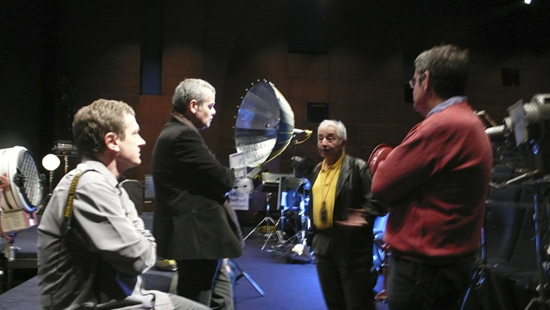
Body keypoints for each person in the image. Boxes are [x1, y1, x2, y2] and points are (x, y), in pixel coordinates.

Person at [37, 99, 208, 310]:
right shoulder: (90, 186)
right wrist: (144, 242)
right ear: (112, 141)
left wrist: (144, 242)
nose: (142, 141)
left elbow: (143, 246)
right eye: (135, 133)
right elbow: (139, 259)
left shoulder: (107, 184)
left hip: (125, 300)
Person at [371, 44, 493, 310]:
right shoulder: (468, 121)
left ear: (426, 80)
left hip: (424, 272)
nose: (411, 86)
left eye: (413, 80)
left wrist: (386, 164)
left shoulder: (441, 126)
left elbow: (380, 185)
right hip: (445, 266)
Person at [152, 79, 242, 308]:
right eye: (210, 106)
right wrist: (234, 177)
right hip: (197, 239)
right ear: (193, 106)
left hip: (200, 240)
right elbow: (224, 179)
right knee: (196, 302)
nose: (214, 111)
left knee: (221, 297)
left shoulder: (176, 132)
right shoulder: (183, 136)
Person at [307, 119, 388, 310]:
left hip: (352, 246)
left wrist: (362, 217)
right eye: (320, 139)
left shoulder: (358, 168)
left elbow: (377, 202)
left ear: (343, 143)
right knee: (333, 302)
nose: (324, 143)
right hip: (323, 244)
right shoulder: (317, 171)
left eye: (330, 138)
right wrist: (312, 238)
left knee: (358, 303)